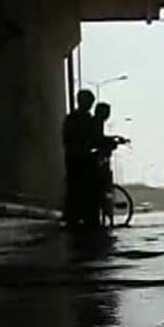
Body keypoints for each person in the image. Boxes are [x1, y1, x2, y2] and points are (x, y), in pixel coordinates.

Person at [62, 89, 96, 227]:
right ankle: (78, 215)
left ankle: (76, 216)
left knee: (76, 187)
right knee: (80, 187)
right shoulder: (77, 119)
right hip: (78, 158)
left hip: (75, 158)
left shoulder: (74, 118)